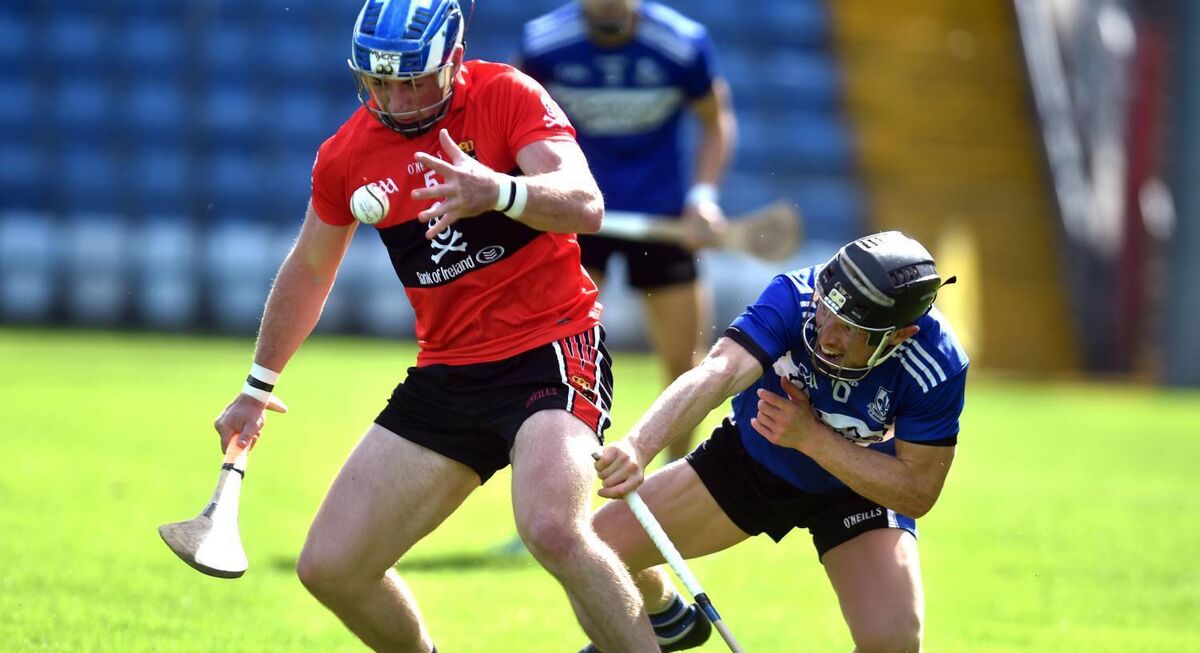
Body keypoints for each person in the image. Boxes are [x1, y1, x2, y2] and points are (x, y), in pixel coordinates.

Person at [211, 1, 660, 651]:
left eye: (412, 80)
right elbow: (310, 269)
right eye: (378, 81)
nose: (394, 98)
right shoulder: (346, 156)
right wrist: (256, 386)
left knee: (552, 527)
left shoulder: (506, 95)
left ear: (452, 62)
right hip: (448, 371)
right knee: (331, 567)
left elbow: (585, 204)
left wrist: (499, 191)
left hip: (551, 344)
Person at [585, 231, 969, 652]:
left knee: (893, 643)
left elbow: (917, 492)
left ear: (898, 335)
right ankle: (668, 619)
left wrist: (812, 439)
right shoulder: (795, 296)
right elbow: (719, 373)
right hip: (752, 460)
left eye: (851, 329)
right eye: (827, 311)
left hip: (858, 492)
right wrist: (639, 446)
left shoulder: (937, 364)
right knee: (595, 550)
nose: (827, 336)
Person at [518, 0, 737, 462]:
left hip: (661, 221)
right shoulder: (543, 44)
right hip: (577, 216)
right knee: (558, 363)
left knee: (684, 365)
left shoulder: (681, 44)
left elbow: (716, 122)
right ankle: (556, 493)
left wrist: (702, 198)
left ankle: (673, 487)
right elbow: (513, 123)